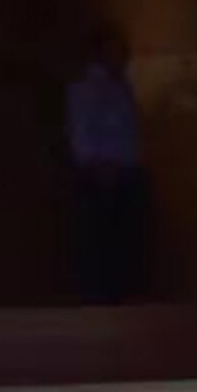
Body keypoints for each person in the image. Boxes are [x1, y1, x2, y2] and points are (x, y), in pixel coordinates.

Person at [66, 20, 150, 304]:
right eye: (115, 49)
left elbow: (130, 131)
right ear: (101, 51)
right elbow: (81, 131)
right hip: (99, 174)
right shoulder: (87, 87)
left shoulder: (122, 87)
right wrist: (97, 165)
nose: (121, 55)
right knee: (99, 239)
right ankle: (97, 297)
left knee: (121, 240)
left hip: (126, 173)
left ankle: (119, 294)